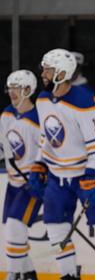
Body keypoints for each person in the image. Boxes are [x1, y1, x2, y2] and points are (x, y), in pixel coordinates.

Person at [29, 48, 95, 279]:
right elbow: (46, 138)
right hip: (57, 178)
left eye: (47, 70)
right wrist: (38, 165)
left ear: (61, 73)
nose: (43, 74)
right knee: (55, 228)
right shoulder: (42, 99)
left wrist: (94, 175)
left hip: (86, 175)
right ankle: (68, 275)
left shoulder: (83, 100)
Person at [1, 70, 41, 280]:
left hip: (31, 185)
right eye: (10, 87)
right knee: (12, 229)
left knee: (16, 228)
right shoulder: (7, 114)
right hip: (13, 183)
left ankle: (13, 274)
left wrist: (42, 175)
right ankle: (28, 272)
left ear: (28, 89)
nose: (11, 92)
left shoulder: (38, 119)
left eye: (16, 87)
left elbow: (49, 152)